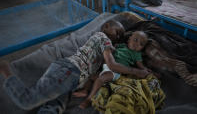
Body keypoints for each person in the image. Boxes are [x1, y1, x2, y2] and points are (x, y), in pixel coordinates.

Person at [0, 20, 149, 111]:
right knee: (27, 101)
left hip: (71, 78)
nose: (118, 37)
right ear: (107, 26)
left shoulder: (104, 50)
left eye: (120, 37)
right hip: (69, 71)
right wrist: (136, 71)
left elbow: (94, 73)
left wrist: (85, 89)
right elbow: (112, 64)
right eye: (117, 32)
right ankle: (5, 69)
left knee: (54, 108)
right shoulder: (102, 37)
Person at [73, 31, 151, 109]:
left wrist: (147, 71)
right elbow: (112, 49)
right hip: (106, 67)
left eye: (141, 44)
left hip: (117, 72)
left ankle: (89, 99)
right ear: (129, 39)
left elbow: (141, 66)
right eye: (136, 40)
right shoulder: (122, 46)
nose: (137, 44)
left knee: (100, 79)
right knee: (92, 77)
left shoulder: (136, 54)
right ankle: (85, 90)